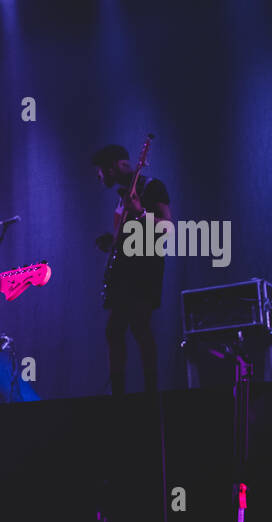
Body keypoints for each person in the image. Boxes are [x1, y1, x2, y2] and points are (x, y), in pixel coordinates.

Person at [92, 143, 172, 395]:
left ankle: (150, 393)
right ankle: (120, 394)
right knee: (115, 330)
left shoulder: (152, 187)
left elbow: (167, 227)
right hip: (123, 276)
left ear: (114, 166)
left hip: (142, 274)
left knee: (138, 326)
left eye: (101, 171)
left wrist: (139, 214)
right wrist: (112, 242)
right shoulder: (123, 196)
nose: (99, 177)